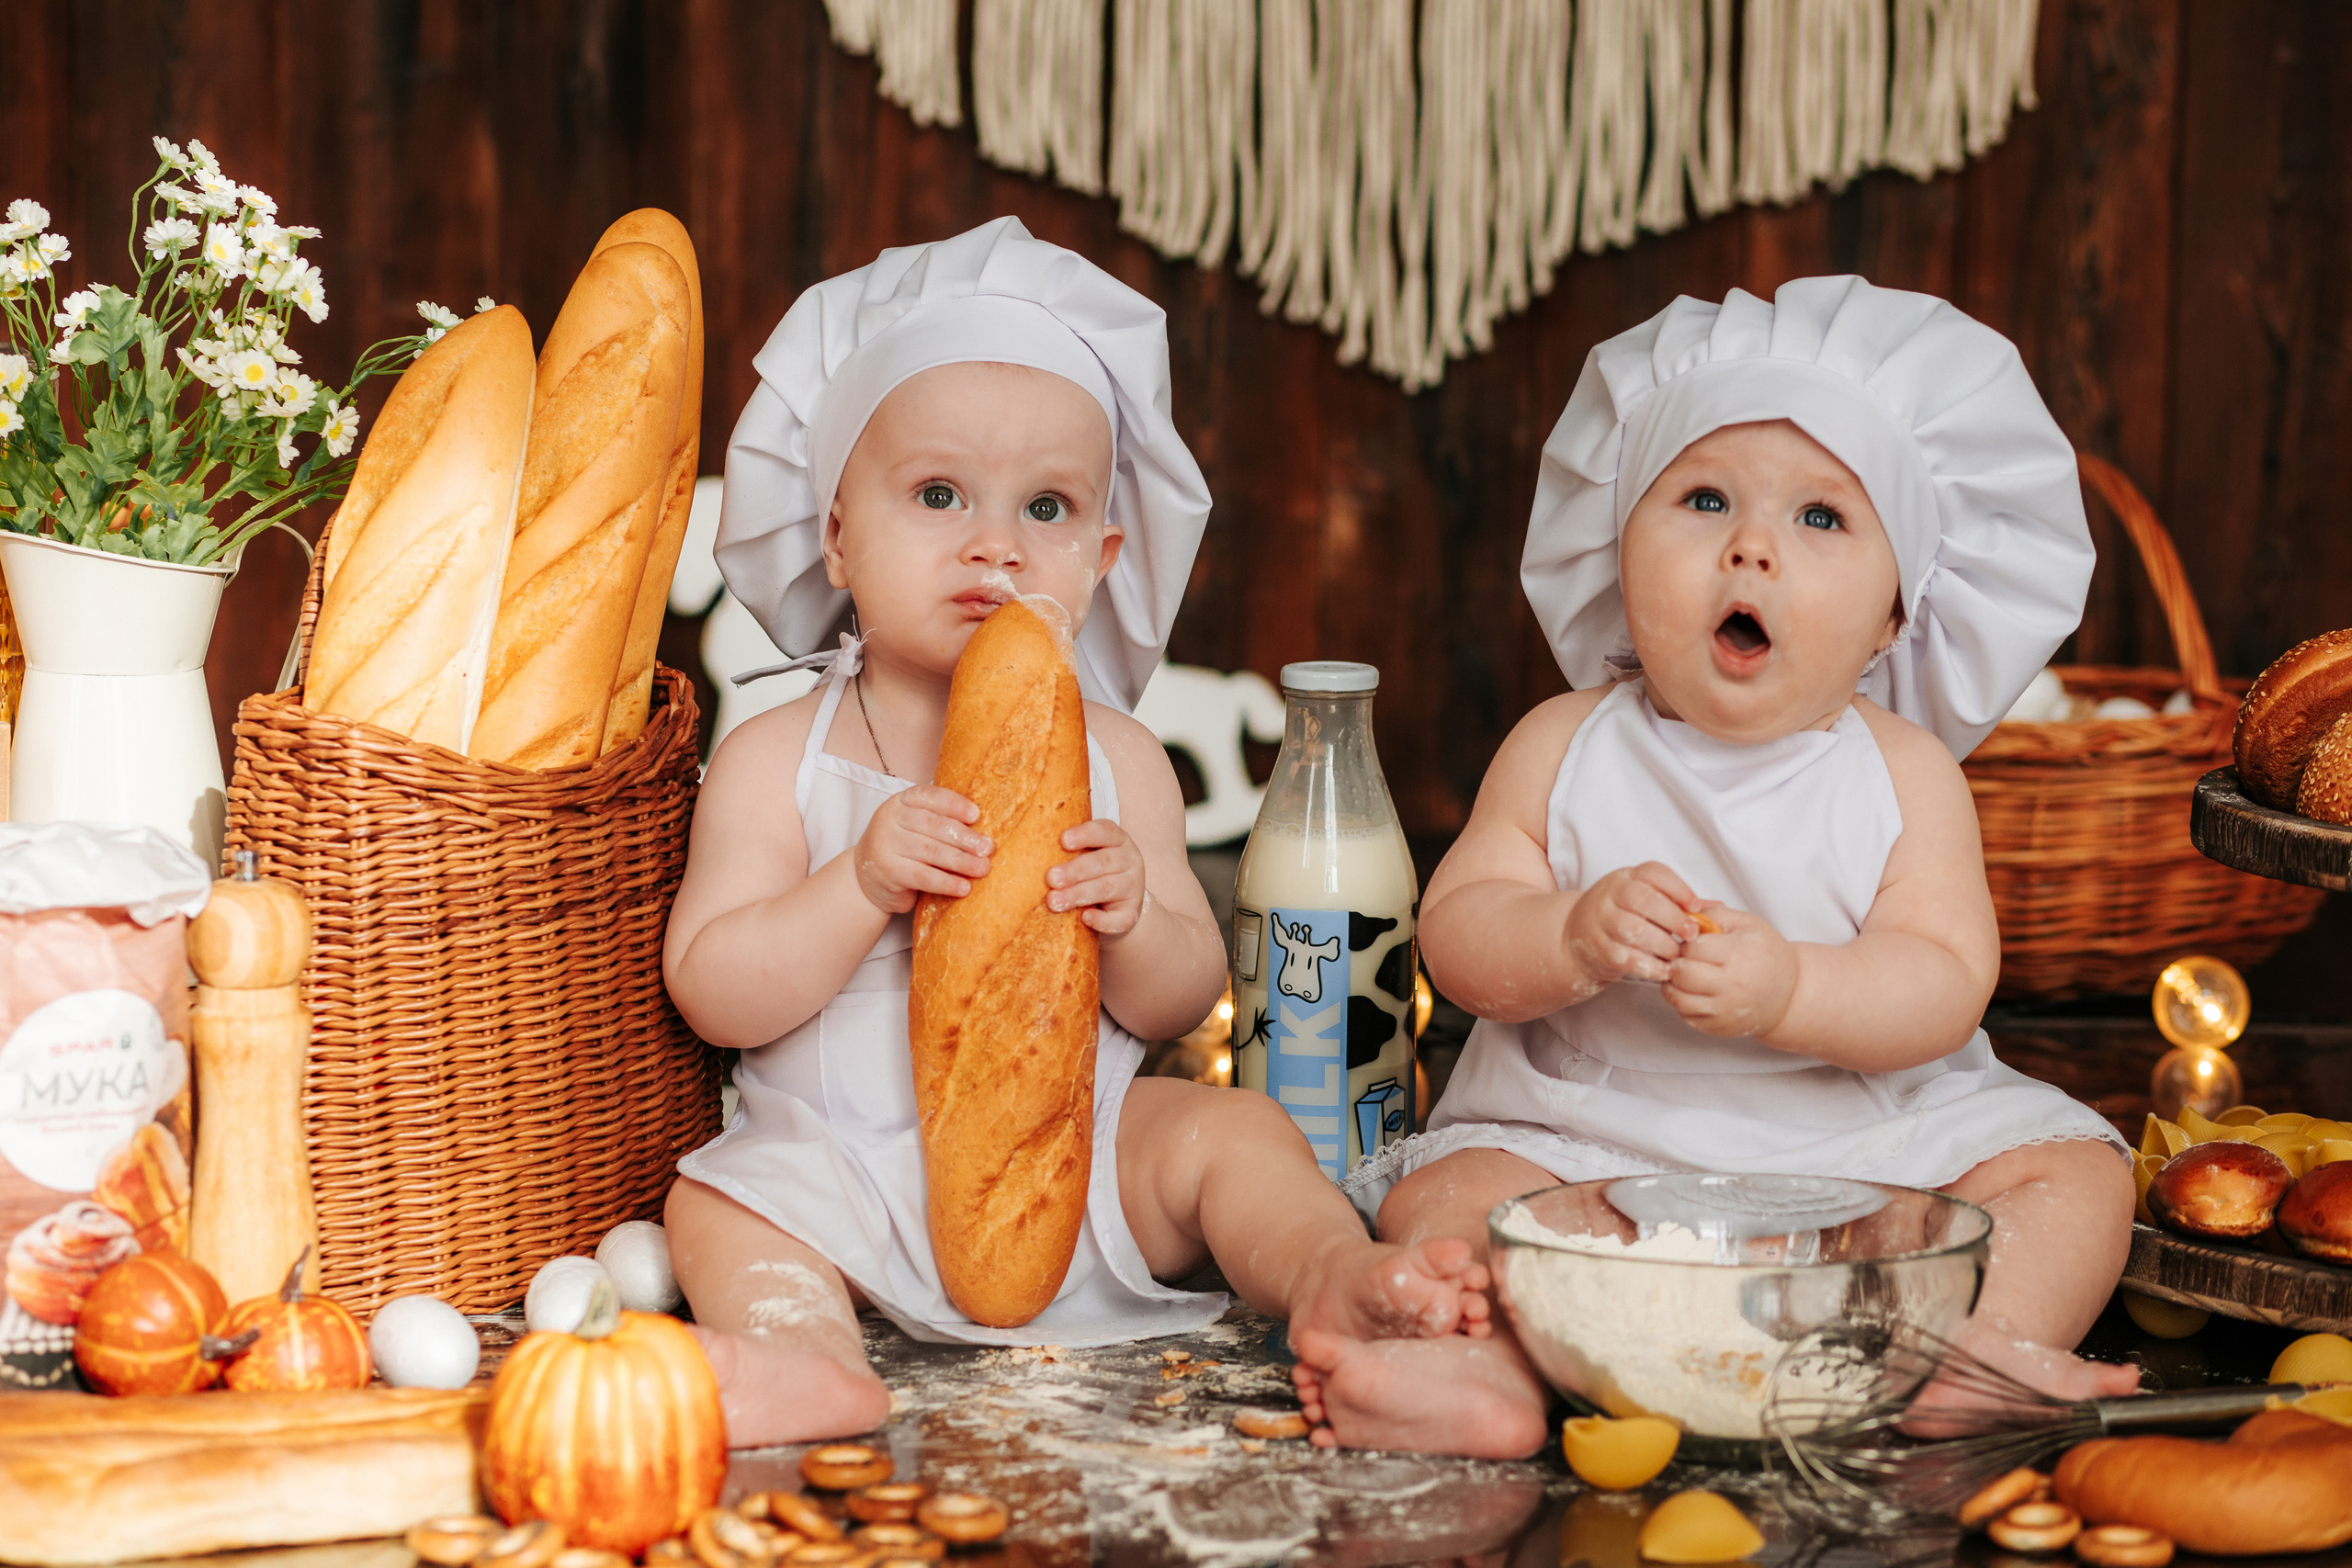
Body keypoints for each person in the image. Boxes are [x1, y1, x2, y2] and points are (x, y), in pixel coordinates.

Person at [662, 218, 1485, 1446]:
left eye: (1046, 506)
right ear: (838, 533)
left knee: (1231, 1129)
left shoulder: (1121, 759)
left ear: (1100, 558)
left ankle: (1327, 1275)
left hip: (1075, 1162)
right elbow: (712, 987)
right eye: (938, 493)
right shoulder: (780, 752)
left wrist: (1135, 914)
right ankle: (806, 1347)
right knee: (713, 1201)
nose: (996, 542)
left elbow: (1176, 1000)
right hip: (839, 1175)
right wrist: (858, 879)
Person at [1294, 277, 2137, 1457]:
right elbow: (1459, 933)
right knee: (1440, 1197)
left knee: (2077, 1177)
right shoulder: (1562, 742)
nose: (1750, 547)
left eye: (1822, 520)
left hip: (1857, 1150)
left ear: (1899, 616)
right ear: (1614, 551)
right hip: (1588, 1146)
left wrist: (1796, 990)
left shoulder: (1901, 775)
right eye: (1702, 499)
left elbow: (1945, 978)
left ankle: (1981, 1345)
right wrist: (1568, 937)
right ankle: (1481, 1370)